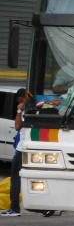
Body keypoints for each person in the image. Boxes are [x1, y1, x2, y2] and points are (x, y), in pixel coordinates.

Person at [1, 88, 26, 217]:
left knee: (15, 179)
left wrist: (18, 110)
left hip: (22, 149)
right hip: (29, 148)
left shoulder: (23, 110)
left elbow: (17, 126)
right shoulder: (35, 109)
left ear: (20, 99)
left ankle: (14, 208)